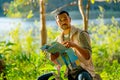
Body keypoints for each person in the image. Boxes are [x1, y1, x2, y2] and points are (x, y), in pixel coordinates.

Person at [38, 10, 96, 80]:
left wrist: (75, 45)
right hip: (65, 72)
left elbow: (87, 56)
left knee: (83, 78)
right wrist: (53, 58)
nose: (63, 22)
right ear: (57, 23)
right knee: (41, 79)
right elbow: (59, 63)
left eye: (65, 19)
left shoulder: (81, 34)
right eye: (60, 20)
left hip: (81, 70)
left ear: (70, 19)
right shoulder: (57, 40)